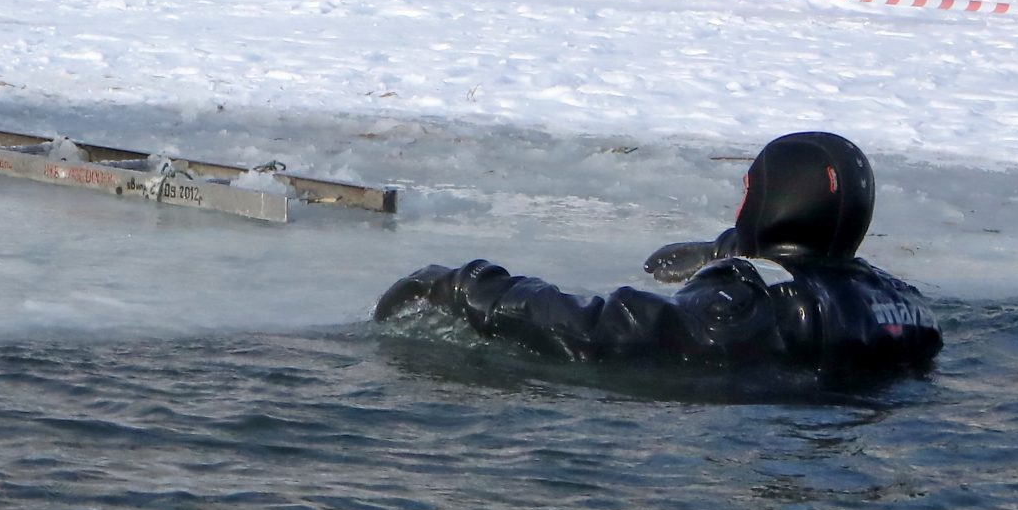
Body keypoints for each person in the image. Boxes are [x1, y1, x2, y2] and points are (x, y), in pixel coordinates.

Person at [375, 132, 941, 378]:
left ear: (773, 199)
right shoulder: (897, 301)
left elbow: (612, 329)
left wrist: (473, 287)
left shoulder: (747, 298)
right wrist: (722, 253)